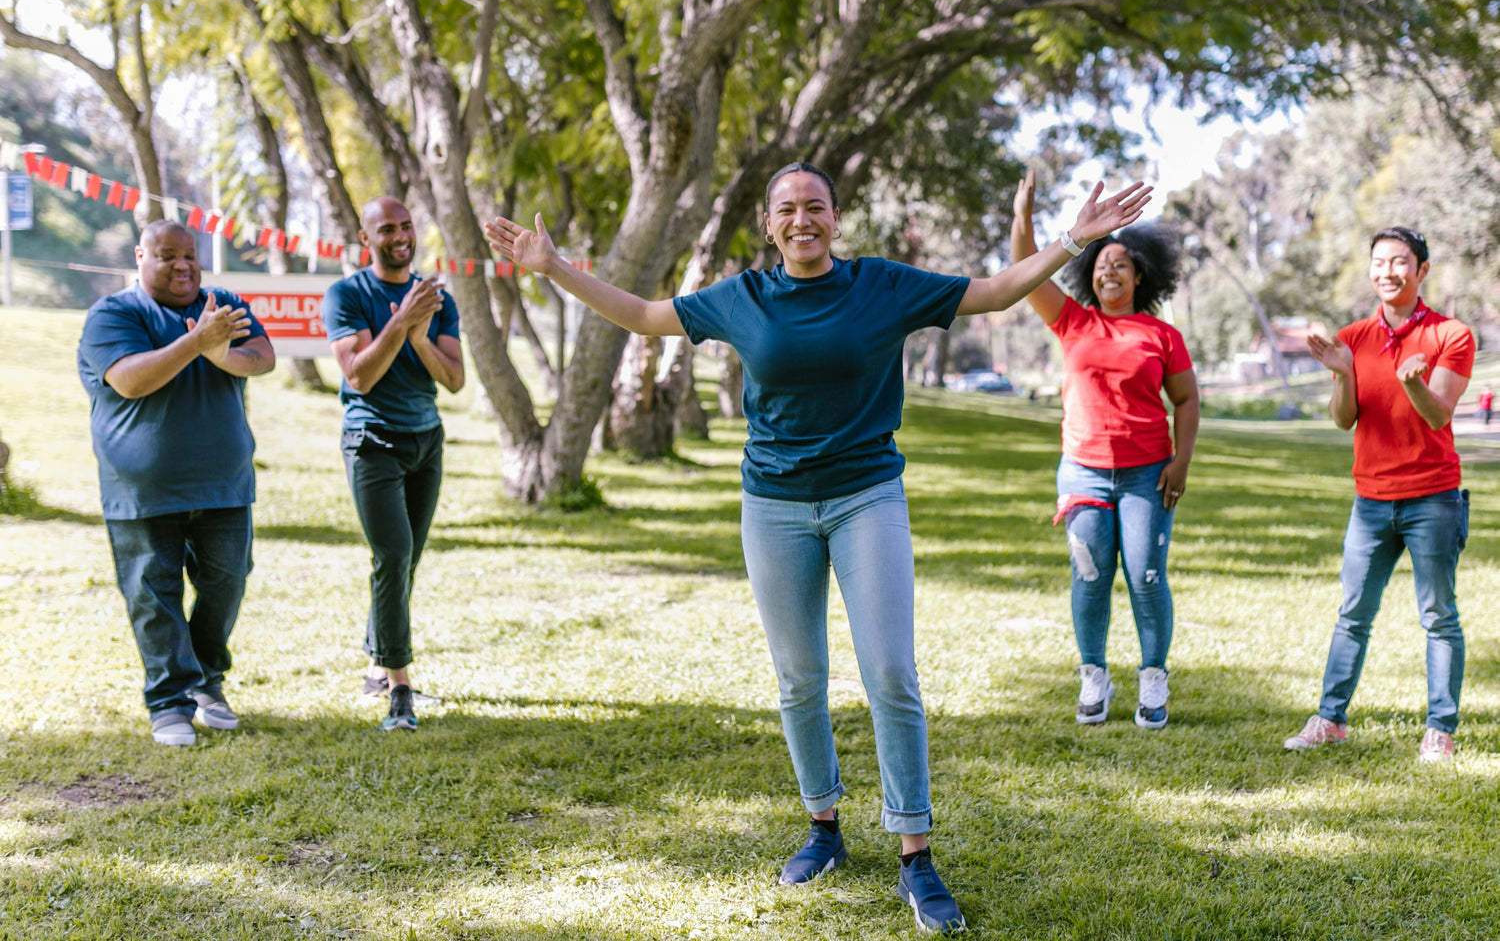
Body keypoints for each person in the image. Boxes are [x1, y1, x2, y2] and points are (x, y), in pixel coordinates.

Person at [485, 164, 1150, 935]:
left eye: (816, 207)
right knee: (800, 679)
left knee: (891, 672)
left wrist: (1074, 237)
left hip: (868, 494)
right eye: (787, 210)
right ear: (770, 225)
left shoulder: (883, 286)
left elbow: (995, 291)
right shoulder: (743, 298)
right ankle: (824, 829)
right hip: (773, 507)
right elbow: (640, 314)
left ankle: (914, 853)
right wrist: (555, 267)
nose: (802, 219)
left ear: (836, 219)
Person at [1011, 171, 1198, 730]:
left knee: (1145, 576)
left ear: (1140, 275)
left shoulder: (1162, 336)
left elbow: (1186, 401)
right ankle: (1094, 675)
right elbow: (1024, 272)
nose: (1109, 269)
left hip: (1147, 475)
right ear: (1088, 276)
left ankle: (1153, 677)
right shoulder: (1072, 320)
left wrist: (1181, 461)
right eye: (1101, 263)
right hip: (1084, 474)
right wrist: (1023, 218)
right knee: (1090, 578)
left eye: (1120, 262)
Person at [78, 220, 276, 746]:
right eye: (168, 256)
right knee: (153, 594)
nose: (184, 266)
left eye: (190, 255)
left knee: (227, 581)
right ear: (141, 255)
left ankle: (207, 681)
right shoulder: (114, 314)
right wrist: (197, 342)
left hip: (224, 484)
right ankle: (169, 702)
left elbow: (262, 358)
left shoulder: (222, 301)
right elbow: (129, 378)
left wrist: (219, 351)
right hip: (143, 491)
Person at [1285, 227, 1473, 763]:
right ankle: (1330, 719)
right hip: (1370, 502)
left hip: (1433, 500)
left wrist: (1413, 380)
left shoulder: (1451, 334)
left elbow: (1437, 412)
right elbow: (1343, 419)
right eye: (1378, 262)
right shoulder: (1354, 336)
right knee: (1352, 614)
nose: (1387, 271)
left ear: (1422, 271)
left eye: (1399, 262)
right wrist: (1344, 373)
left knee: (1439, 615)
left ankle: (1440, 730)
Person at [322, 197, 464, 733]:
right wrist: (400, 323)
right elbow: (359, 375)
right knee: (393, 553)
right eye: (388, 229)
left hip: (425, 441)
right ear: (366, 237)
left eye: (407, 226)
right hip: (371, 440)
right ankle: (399, 688)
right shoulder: (347, 295)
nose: (401, 236)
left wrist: (421, 337)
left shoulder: (435, 297)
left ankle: (377, 661)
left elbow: (453, 379)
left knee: (405, 562)